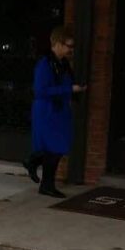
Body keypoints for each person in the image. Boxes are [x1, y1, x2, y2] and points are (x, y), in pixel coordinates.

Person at [23, 27, 86, 198]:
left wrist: (75, 89)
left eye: (72, 47)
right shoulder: (45, 64)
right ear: (57, 44)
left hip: (59, 109)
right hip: (47, 110)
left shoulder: (62, 63)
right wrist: (69, 88)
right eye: (68, 46)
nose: (71, 50)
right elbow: (41, 91)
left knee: (58, 146)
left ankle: (36, 165)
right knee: (54, 147)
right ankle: (45, 181)